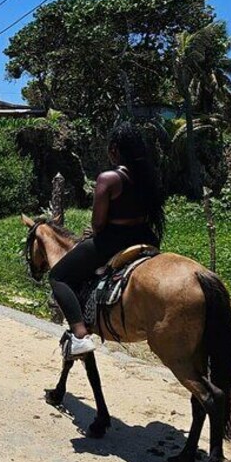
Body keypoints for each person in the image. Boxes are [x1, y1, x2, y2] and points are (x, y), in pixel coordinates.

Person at [50, 121, 165, 358]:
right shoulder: (148, 177)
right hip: (145, 237)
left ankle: (80, 335)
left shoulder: (108, 179)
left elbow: (98, 224)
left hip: (113, 240)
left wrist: (94, 232)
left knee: (58, 276)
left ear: (114, 149)